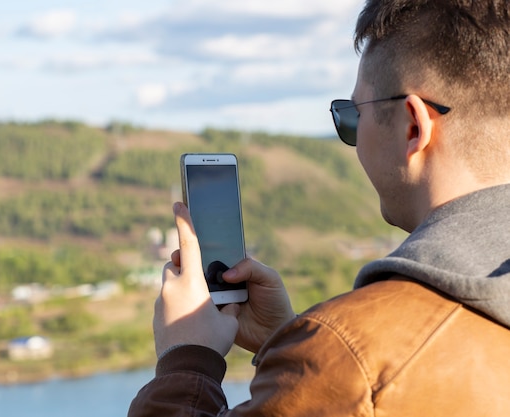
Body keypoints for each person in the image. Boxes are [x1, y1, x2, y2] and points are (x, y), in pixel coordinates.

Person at [129, 0, 510, 415]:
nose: (353, 137)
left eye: (351, 116)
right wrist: (292, 340)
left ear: (413, 126)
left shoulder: (354, 360)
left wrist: (186, 360)